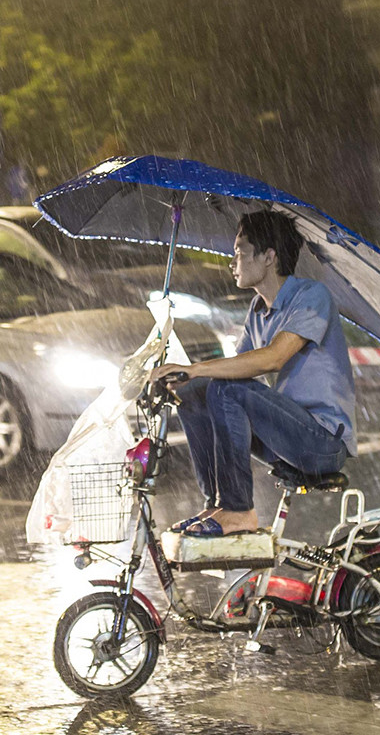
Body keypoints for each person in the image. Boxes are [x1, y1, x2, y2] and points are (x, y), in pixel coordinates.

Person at [149, 209, 356, 537]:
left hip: (322, 444)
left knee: (223, 389)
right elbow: (237, 369)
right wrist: (180, 377)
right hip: (285, 437)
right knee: (196, 392)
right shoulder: (257, 310)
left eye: (240, 253)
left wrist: (196, 367)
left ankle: (238, 511)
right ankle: (217, 504)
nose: (233, 263)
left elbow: (273, 358)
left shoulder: (312, 296)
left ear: (269, 256)